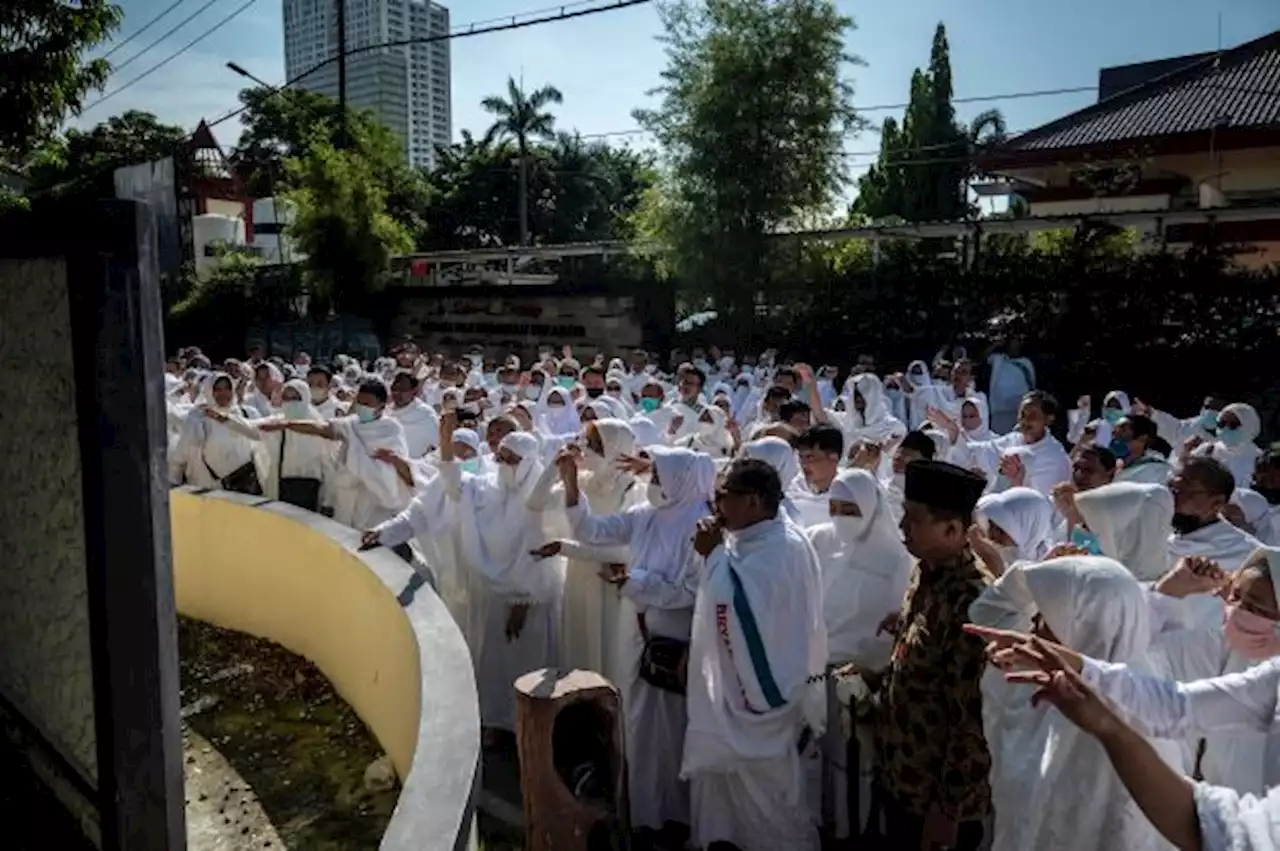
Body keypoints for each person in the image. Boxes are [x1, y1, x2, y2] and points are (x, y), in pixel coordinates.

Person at [969, 547, 1280, 851]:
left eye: (1256, 605)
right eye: (1236, 596)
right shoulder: (1072, 691)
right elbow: (1176, 706)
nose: (1035, 628)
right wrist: (1078, 667)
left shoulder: (1129, 718)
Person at [560, 445, 717, 841]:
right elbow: (591, 531)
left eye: (660, 477)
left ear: (680, 481)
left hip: (673, 640)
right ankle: (644, 813)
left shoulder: (702, 524)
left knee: (669, 729)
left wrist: (635, 582)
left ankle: (674, 816)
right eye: (654, 476)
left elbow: (691, 590)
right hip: (635, 630)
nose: (652, 483)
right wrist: (570, 485)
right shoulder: (646, 514)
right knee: (636, 722)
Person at [975, 556, 1184, 851]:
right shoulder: (1054, 686)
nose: (1033, 625)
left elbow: (1124, 832)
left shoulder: (1128, 722)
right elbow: (986, 611)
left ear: (1088, 629)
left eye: (1046, 618)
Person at [683, 458, 826, 851]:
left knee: (771, 807)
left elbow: (743, 617)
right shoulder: (746, 541)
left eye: (724, 496)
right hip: (731, 691)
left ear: (755, 501)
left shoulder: (783, 548)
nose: (716, 505)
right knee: (727, 801)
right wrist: (714, 556)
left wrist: (713, 557)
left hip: (765, 698)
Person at [873, 459, 991, 850]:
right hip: (903, 774)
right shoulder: (926, 571)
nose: (904, 528)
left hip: (936, 800)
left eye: (915, 519)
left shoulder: (974, 602)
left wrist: (947, 810)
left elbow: (971, 722)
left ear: (953, 529)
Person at [529, 419, 646, 686]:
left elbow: (625, 551)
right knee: (580, 648)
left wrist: (569, 549)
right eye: (587, 444)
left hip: (612, 584)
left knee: (610, 652)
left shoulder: (633, 490)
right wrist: (556, 468)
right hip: (580, 578)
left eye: (596, 446)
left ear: (616, 449)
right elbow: (535, 503)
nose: (587, 451)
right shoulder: (583, 482)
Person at [263, 379, 414, 530]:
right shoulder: (350, 424)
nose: (362, 408)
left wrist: (393, 460)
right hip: (346, 499)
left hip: (374, 502)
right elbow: (322, 428)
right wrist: (287, 424)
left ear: (381, 405)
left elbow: (404, 469)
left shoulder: (391, 429)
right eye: (359, 403)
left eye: (367, 404)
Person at [1168, 459, 1263, 616]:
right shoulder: (1158, 534)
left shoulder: (1249, 557)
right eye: (1172, 489)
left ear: (1217, 502)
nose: (1173, 499)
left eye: (1184, 492)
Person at [954, 391, 1072, 501]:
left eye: (1032, 415)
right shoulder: (1013, 439)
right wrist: (953, 435)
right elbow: (978, 452)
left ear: (1049, 419)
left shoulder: (1056, 458)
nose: (1025, 420)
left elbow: (1045, 503)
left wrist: (1018, 483)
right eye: (1022, 414)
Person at [171, 372, 266, 494]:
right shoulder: (197, 418)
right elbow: (182, 454)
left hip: (244, 490)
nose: (223, 393)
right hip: (208, 490)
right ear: (209, 391)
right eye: (218, 389)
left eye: (227, 388)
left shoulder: (247, 414)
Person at [1187, 404, 1263, 490]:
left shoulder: (1259, 459)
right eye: (1222, 423)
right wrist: (1186, 452)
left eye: (1233, 425)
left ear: (1249, 427)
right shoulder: (1207, 450)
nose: (1225, 429)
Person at [986, 339, 1036, 435]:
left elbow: (1031, 383)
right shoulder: (998, 359)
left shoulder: (1026, 363)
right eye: (1012, 344)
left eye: (1017, 345)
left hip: (1020, 409)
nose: (1014, 347)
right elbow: (985, 356)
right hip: (1000, 410)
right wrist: (996, 345)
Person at [386, 371, 439, 459]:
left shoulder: (426, 414)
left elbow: (435, 445)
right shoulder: (385, 411)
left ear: (414, 390)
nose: (397, 393)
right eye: (394, 389)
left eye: (403, 389)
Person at [1113, 414, 1174, 484]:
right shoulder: (1109, 467)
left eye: (1123, 431)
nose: (1117, 438)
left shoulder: (1159, 469)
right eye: (1115, 432)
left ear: (1142, 438)